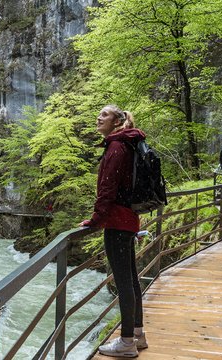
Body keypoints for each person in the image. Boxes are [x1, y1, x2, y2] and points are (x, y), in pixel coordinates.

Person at [78, 105, 147, 358]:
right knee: (131, 279)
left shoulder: (116, 147)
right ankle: (138, 334)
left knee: (123, 282)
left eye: (104, 114)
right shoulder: (127, 144)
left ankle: (127, 341)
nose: (98, 117)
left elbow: (107, 189)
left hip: (117, 223)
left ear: (117, 121)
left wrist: (95, 221)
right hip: (129, 219)